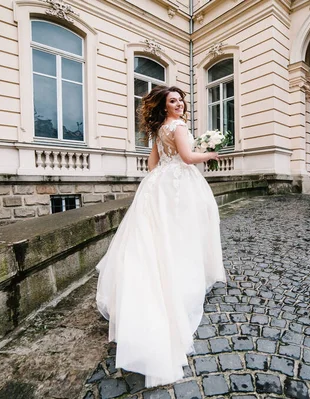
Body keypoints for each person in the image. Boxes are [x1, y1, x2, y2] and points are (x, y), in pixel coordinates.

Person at [95, 85, 226, 388]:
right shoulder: (178, 126)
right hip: (180, 185)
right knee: (183, 236)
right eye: (173, 101)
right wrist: (210, 153)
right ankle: (181, 284)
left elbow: (152, 164)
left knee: (158, 238)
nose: (179, 104)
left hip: (159, 185)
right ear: (165, 106)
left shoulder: (159, 129)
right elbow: (188, 157)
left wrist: (160, 179)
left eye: (180, 100)